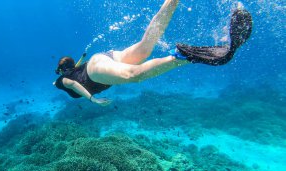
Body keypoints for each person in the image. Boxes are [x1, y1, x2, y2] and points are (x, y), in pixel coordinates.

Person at [54, 0, 252, 106]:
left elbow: (72, 83)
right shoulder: (73, 68)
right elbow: (76, 67)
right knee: (145, 47)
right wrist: (77, 62)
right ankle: (171, 2)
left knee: (134, 75)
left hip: (95, 73)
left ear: (62, 71)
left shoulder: (62, 81)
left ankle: (181, 56)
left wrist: (92, 99)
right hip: (103, 58)